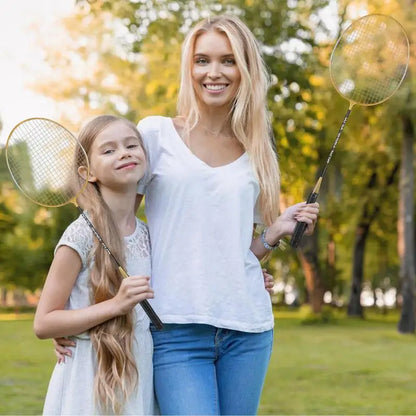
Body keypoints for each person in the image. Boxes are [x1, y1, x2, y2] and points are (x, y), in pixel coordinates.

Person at [55, 14, 319, 416]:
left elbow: (228, 250)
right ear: (189, 68)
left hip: (248, 329)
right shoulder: (156, 136)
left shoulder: (258, 151)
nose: (214, 72)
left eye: (228, 60)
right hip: (175, 330)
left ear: (244, 68)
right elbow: (114, 231)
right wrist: (78, 312)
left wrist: (271, 236)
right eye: (202, 61)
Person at [34, 115, 156, 415]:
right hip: (88, 379)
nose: (124, 153)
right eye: (109, 150)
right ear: (87, 172)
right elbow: (44, 322)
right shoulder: (81, 234)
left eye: (131, 145)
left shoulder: (149, 234)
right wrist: (116, 305)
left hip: (138, 371)